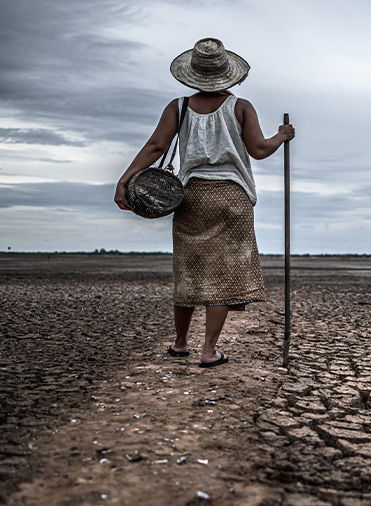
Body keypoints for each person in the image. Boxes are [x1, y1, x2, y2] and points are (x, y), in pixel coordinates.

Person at [115, 37, 294, 368]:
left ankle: (181, 343)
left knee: (188, 270)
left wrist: (125, 179)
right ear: (228, 74)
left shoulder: (178, 107)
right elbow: (258, 149)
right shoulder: (240, 106)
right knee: (223, 275)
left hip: (191, 196)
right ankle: (209, 350)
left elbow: (156, 147)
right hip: (233, 198)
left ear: (192, 75)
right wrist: (281, 137)